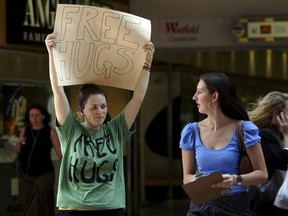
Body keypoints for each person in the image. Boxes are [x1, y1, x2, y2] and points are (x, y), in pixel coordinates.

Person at [45, 33, 155, 216]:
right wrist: (51, 53)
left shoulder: (116, 129)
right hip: (73, 209)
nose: (100, 112)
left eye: (103, 106)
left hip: (110, 208)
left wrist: (147, 62)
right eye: (94, 107)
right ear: (81, 110)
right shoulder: (71, 130)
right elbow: (58, 91)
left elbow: (138, 98)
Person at [179, 72, 268, 216]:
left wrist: (235, 179)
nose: (194, 97)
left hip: (234, 206)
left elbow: (262, 174)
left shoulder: (245, 129)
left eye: (200, 92)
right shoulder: (191, 131)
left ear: (214, 96)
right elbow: (186, 176)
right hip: (199, 206)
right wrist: (199, 180)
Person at [14, 103, 62, 216]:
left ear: (43, 116)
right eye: (31, 115)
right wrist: (20, 141)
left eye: (37, 115)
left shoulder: (50, 131)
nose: (34, 118)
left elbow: (60, 153)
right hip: (28, 173)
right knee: (29, 202)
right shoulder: (25, 130)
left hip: (45, 173)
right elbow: (17, 150)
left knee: (43, 201)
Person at [248, 91, 288, 216]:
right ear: (277, 114)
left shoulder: (279, 133)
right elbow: (282, 162)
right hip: (267, 205)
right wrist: (287, 135)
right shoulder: (264, 134)